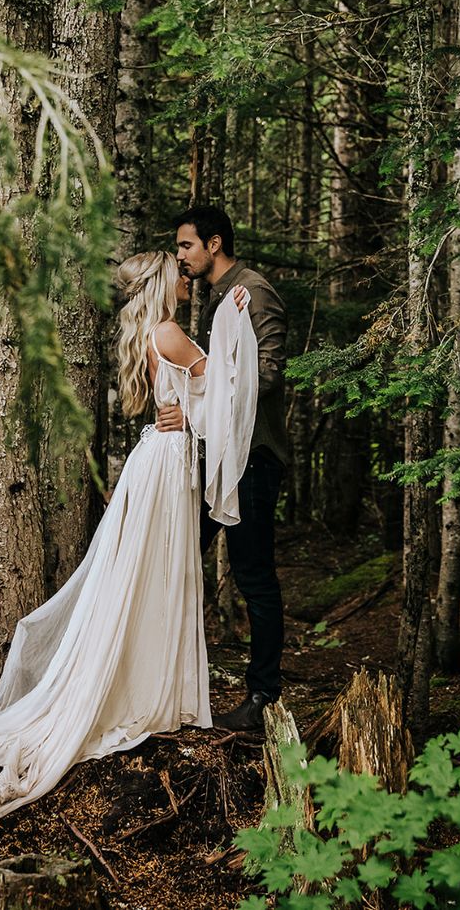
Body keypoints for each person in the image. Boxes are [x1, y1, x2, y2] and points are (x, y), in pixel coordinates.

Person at [0, 251, 255, 822]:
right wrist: (236, 324)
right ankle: (149, 696)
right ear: (163, 283)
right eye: (179, 272)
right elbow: (226, 393)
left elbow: (195, 402)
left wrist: (192, 407)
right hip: (166, 466)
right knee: (157, 576)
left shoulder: (150, 330)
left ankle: (150, 689)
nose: (187, 280)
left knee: (147, 577)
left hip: (158, 458)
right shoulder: (167, 330)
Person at [158, 206, 288, 732]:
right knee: (177, 552)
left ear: (214, 244)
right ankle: (172, 681)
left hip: (253, 457)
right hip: (221, 457)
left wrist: (198, 402)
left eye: (186, 246)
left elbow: (272, 376)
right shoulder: (219, 295)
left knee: (254, 574)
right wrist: (186, 412)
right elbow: (216, 382)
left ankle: (263, 698)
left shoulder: (251, 291)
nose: (180, 256)